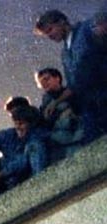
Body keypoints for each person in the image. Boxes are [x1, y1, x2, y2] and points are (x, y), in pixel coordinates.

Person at [34, 10, 107, 143]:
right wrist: (56, 102)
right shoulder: (65, 54)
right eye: (46, 34)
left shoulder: (86, 30)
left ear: (62, 22)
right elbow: (74, 83)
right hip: (91, 108)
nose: (49, 35)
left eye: (50, 29)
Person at [36, 67, 85, 159]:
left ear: (57, 78)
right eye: (41, 82)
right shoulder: (45, 105)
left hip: (77, 132)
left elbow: (73, 93)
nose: (44, 84)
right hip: (59, 137)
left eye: (47, 79)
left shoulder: (73, 93)